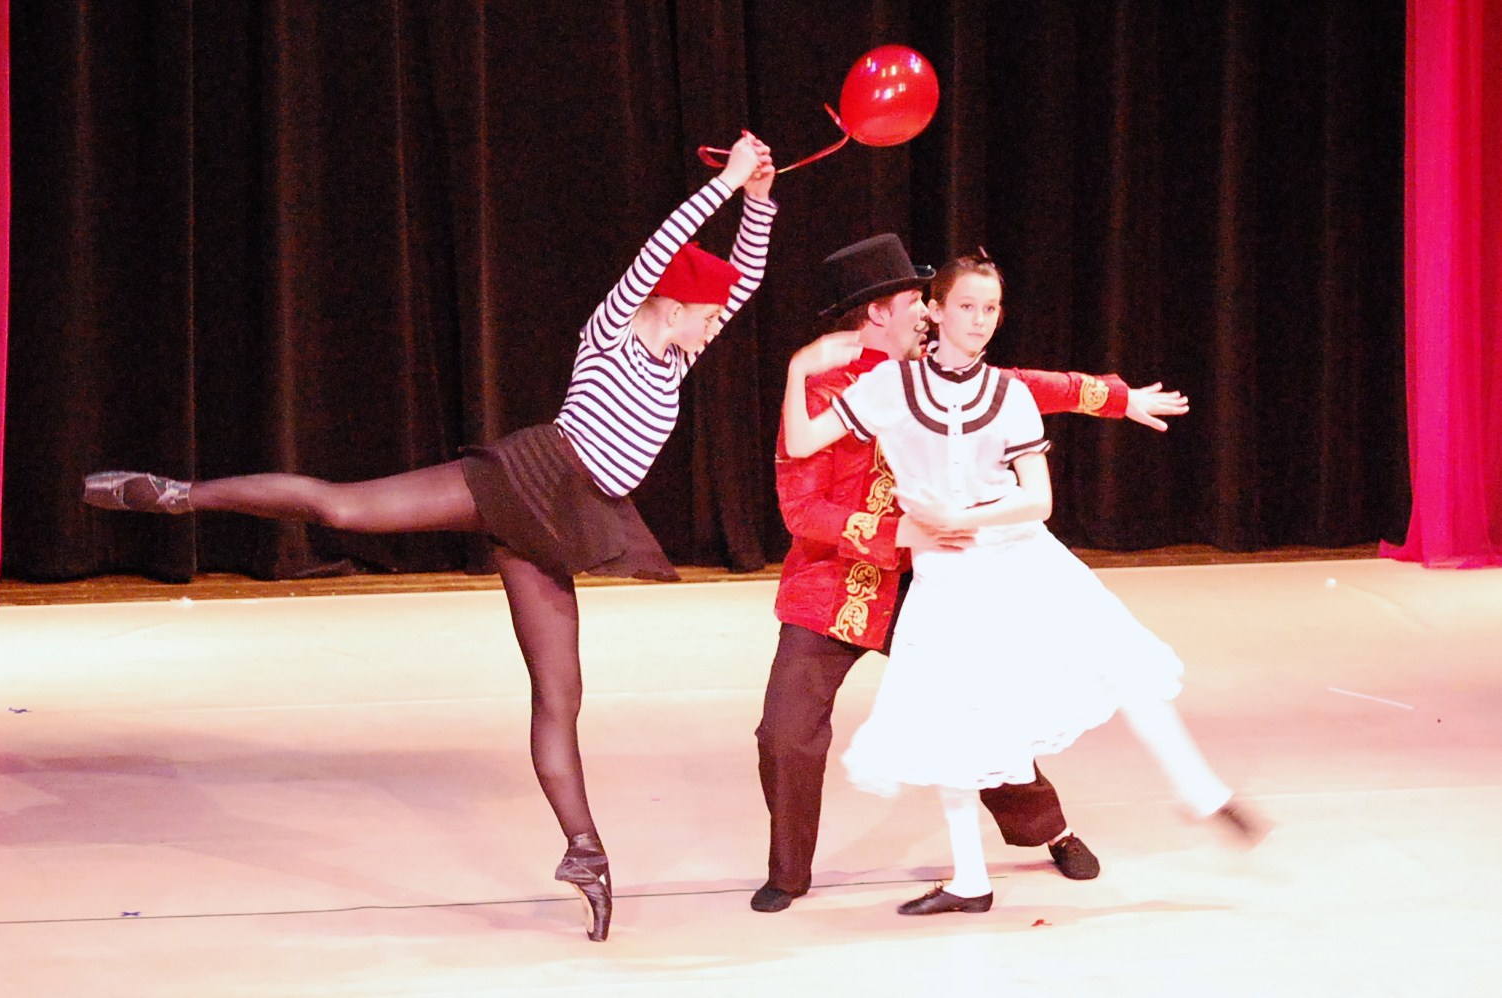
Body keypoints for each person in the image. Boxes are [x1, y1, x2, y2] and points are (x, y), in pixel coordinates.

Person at [81, 132, 779, 942]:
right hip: (522, 479)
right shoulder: (615, 331)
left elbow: (747, 279)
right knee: (343, 510)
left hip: (561, 526)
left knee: (561, 696)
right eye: (704, 313)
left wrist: (759, 200)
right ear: (671, 302)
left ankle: (583, 851)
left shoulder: (676, 363)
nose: (713, 326)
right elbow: (660, 249)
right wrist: (726, 182)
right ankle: (178, 495)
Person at [780, 250, 1262, 917]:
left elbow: (1038, 499)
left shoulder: (1006, 394)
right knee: (955, 718)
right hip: (948, 575)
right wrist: (801, 365)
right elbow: (802, 446)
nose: (979, 320)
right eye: (967, 307)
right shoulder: (889, 388)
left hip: (1022, 556)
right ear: (938, 311)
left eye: (991, 309)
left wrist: (966, 515)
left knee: (1121, 655)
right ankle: (970, 880)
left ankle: (1200, 790)